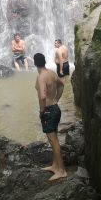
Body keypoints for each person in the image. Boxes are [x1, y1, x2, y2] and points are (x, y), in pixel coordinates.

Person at [34, 52, 67, 182]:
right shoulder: (52, 73)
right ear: (45, 61)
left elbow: (42, 96)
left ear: (35, 63)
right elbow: (62, 85)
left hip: (48, 110)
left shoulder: (41, 76)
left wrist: (42, 111)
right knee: (55, 139)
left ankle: (61, 171)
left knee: (53, 141)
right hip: (55, 109)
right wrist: (56, 100)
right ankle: (55, 166)